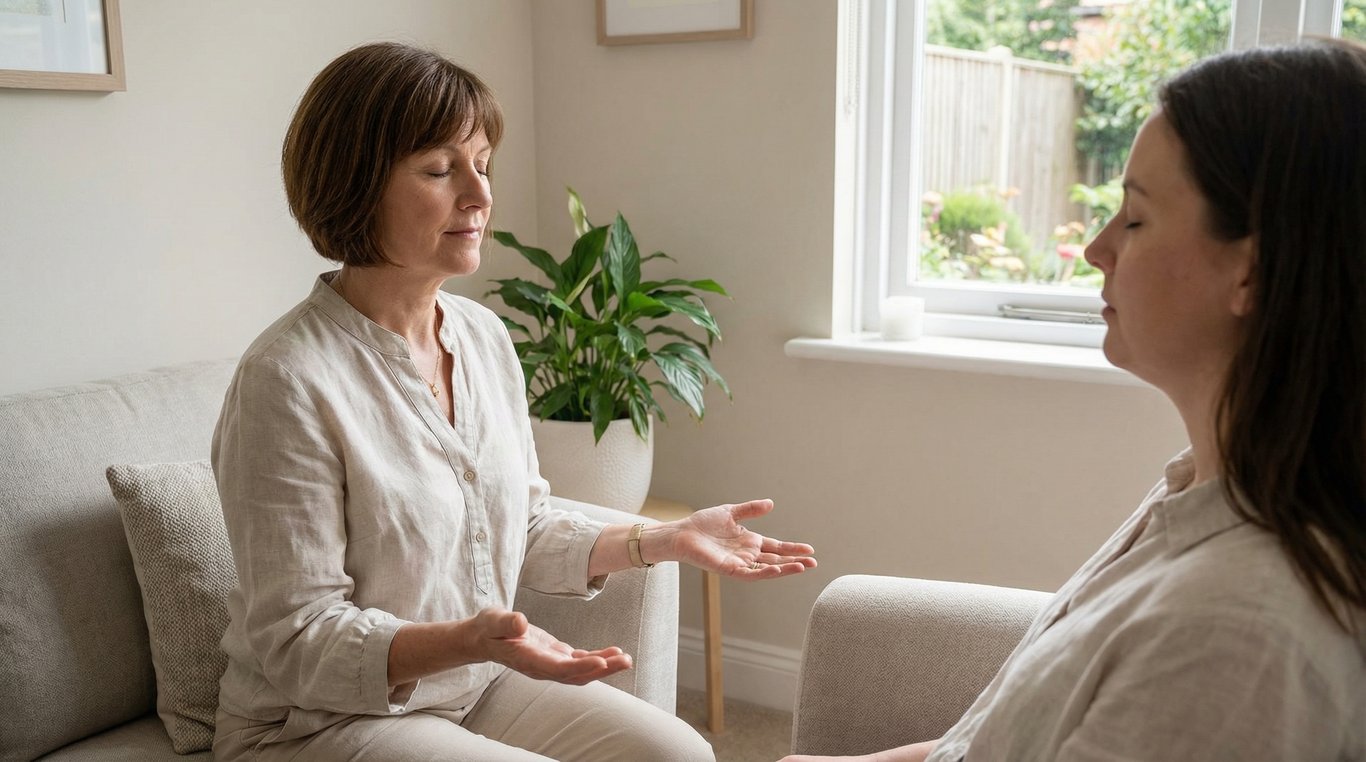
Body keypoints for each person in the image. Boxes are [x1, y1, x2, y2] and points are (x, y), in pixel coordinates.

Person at [211, 42, 816, 762]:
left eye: (483, 164)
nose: (478, 193)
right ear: (355, 183)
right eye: (440, 169)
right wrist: (470, 637)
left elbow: (519, 520)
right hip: (318, 722)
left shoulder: (482, 335)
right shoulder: (287, 379)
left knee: (678, 755)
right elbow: (299, 639)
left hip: (473, 685)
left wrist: (664, 539)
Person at [781, 38, 1366, 762]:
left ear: (1253, 270)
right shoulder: (1201, 494)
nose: (1096, 247)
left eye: (1137, 218)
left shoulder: (1234, 636)